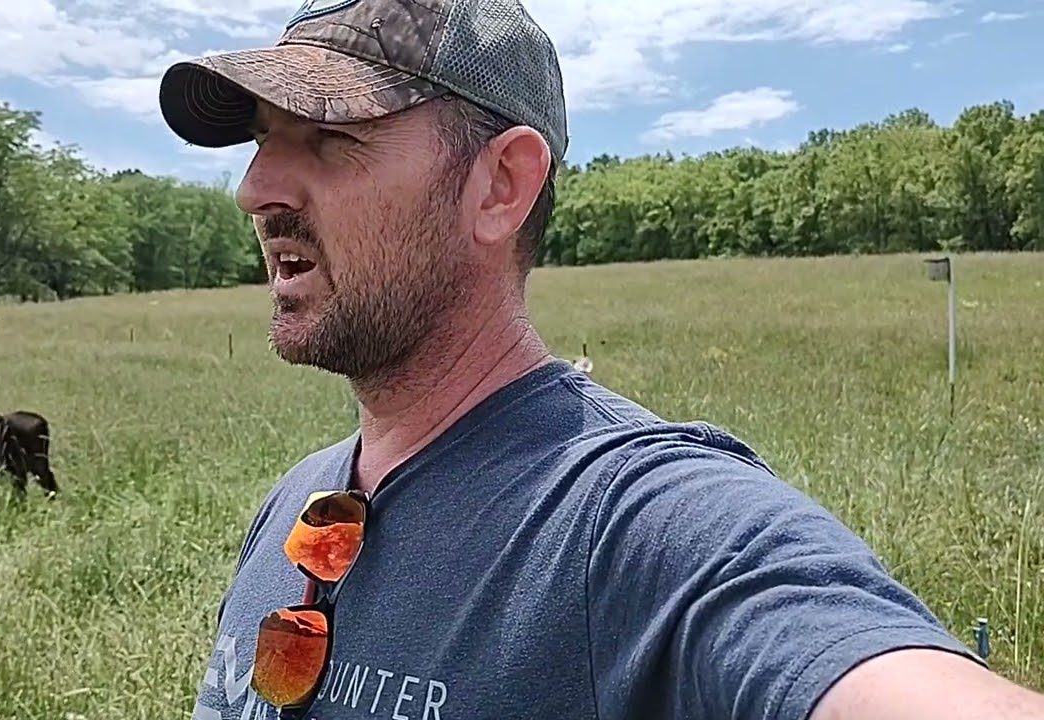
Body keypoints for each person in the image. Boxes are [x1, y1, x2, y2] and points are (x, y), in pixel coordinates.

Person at [159, 0, 1044, 718]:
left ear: (500, 185)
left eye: (330, 137)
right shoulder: (295, 498)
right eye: (263, 141)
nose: (255, 190)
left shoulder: (636, 522)